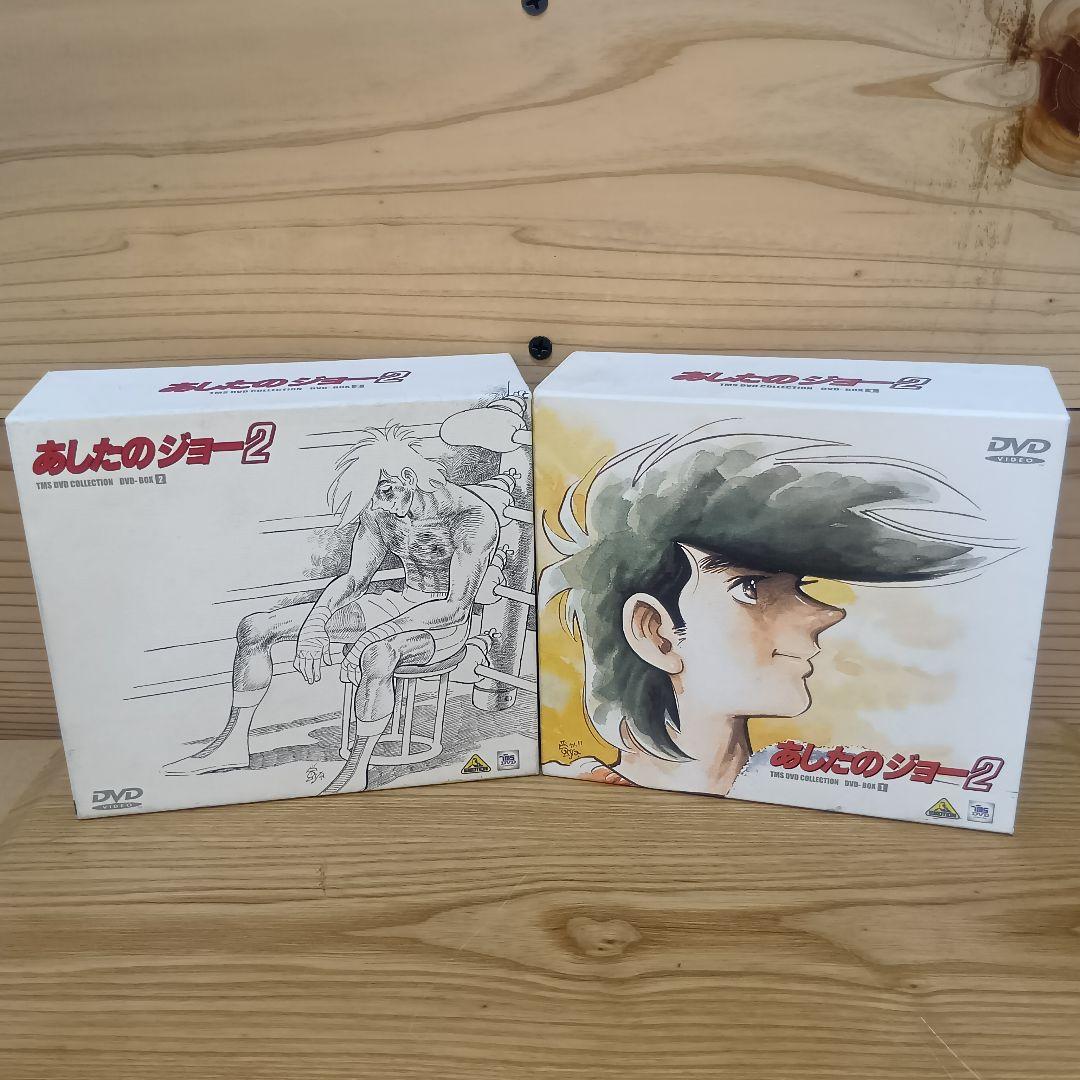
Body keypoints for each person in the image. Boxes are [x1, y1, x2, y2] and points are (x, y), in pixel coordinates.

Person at [540, 423, 1010, 796]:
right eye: (750, 589)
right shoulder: (577, 793)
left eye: (799, 586)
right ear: (656, 633)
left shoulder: (799, 789)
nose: (824, 614)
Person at [166, 424, 500, 795]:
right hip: (397, 604)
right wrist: (315, 625)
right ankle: (231, 745)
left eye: (383, 494)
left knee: (378, 654)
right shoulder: (382, 510)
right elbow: (355, 578)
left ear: (408, 478)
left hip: (442, 624)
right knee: (256, 628)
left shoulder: (471, 517)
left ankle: (356, 770)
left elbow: (455, 606)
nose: (378, 505)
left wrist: (374, 635)